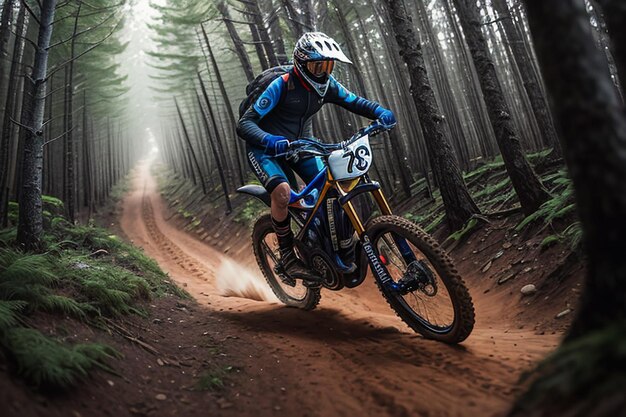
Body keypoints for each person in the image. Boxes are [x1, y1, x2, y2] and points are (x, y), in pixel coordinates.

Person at [236, 32, 396, 283]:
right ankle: (287, 256)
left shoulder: (327, 84)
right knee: (283, 193)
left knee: (335, 186)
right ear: (302, 64)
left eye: (328, 65)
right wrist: (269, 140)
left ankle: (337, 245)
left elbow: (354, 101)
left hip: (302, 146)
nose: (323, 71)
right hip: (266, 148)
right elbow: (245, 124)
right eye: (317, 65)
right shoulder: (282, 84)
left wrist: (379, 111)